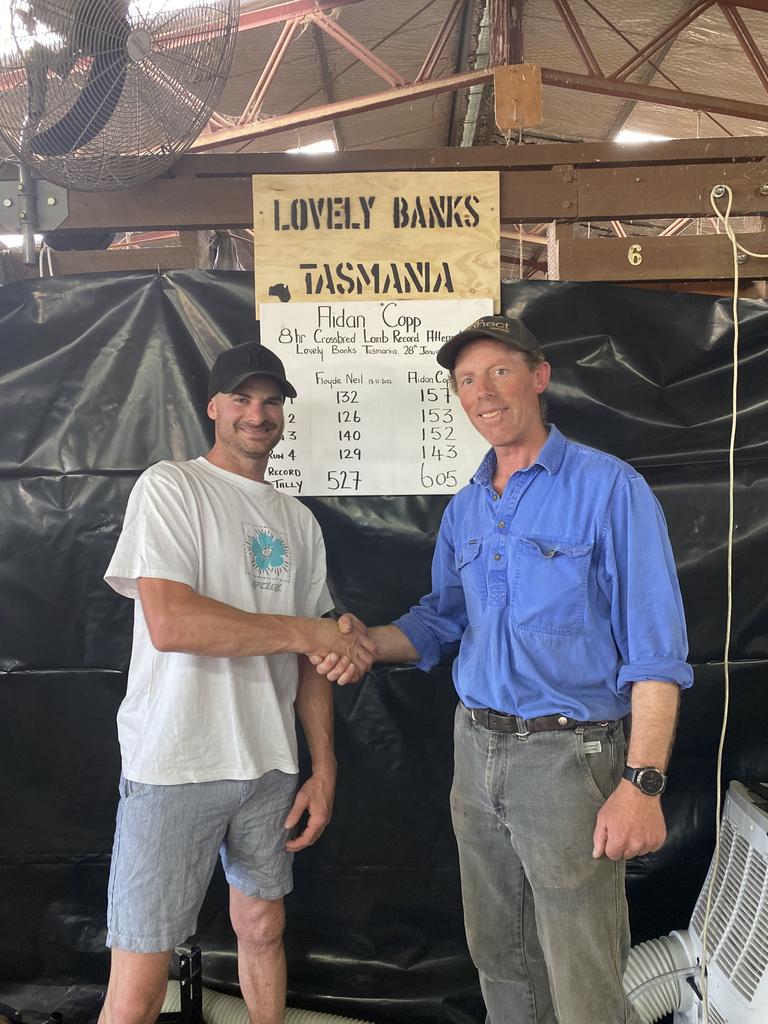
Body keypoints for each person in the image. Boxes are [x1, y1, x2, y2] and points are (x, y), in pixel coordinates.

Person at [315, 315, 693, 1024]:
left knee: (583, 975)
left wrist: (641, 784)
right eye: (465, 380)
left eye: (499, 371)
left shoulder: (610, 490)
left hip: (569, 759)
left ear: (539, 377)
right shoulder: (467, 509)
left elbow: (656, 653)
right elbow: (439, 621)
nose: (482, 392)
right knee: (501, 961)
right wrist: (366, 640)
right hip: (476, 749)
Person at [100, 339, 374, 1024]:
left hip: (268, 767)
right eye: (244, 400)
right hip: (176, 763)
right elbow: (172, 622)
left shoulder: (297, 522)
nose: (258, 413)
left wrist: (324, 767)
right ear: (213, 407)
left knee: (263, 929)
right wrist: (308, 631)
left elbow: (316, 663)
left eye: (272, 401)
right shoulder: (171, 488)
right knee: (137, 981)